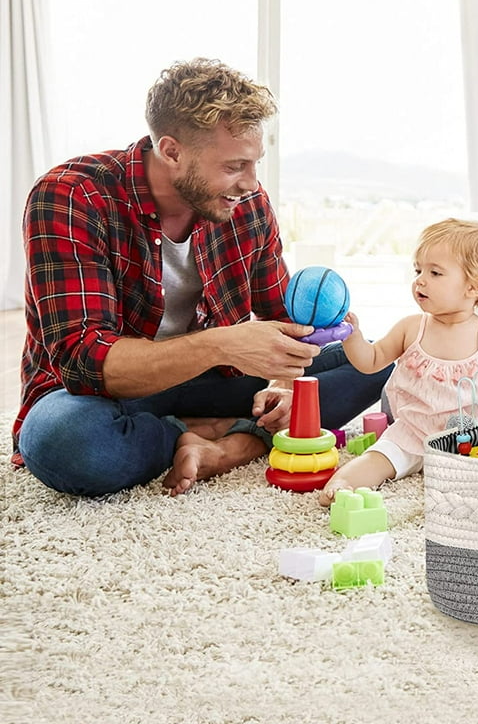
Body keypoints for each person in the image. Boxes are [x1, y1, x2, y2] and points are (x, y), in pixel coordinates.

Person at [13, 57, 391, 497]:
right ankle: (216, 435)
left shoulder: (247, 204)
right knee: (65, 441)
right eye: (233, 167)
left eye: (255, 164)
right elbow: (84, 360)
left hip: (216, 380)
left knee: (383, 359)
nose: (251, 183)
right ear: (172, 151)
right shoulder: (71, 195)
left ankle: (226, 445)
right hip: (106, 397)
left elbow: (284, 319)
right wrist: (223, 343)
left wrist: (284, 382)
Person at [319, 218, 478, 506]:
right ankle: (343, 482)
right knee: (377, 458)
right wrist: (353, 337)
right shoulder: (411, 327)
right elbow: (371, 361)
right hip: (412, 432)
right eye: (418, 270)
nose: (420, 280)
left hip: (471, 436)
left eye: (435, 272)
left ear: (473, 287)